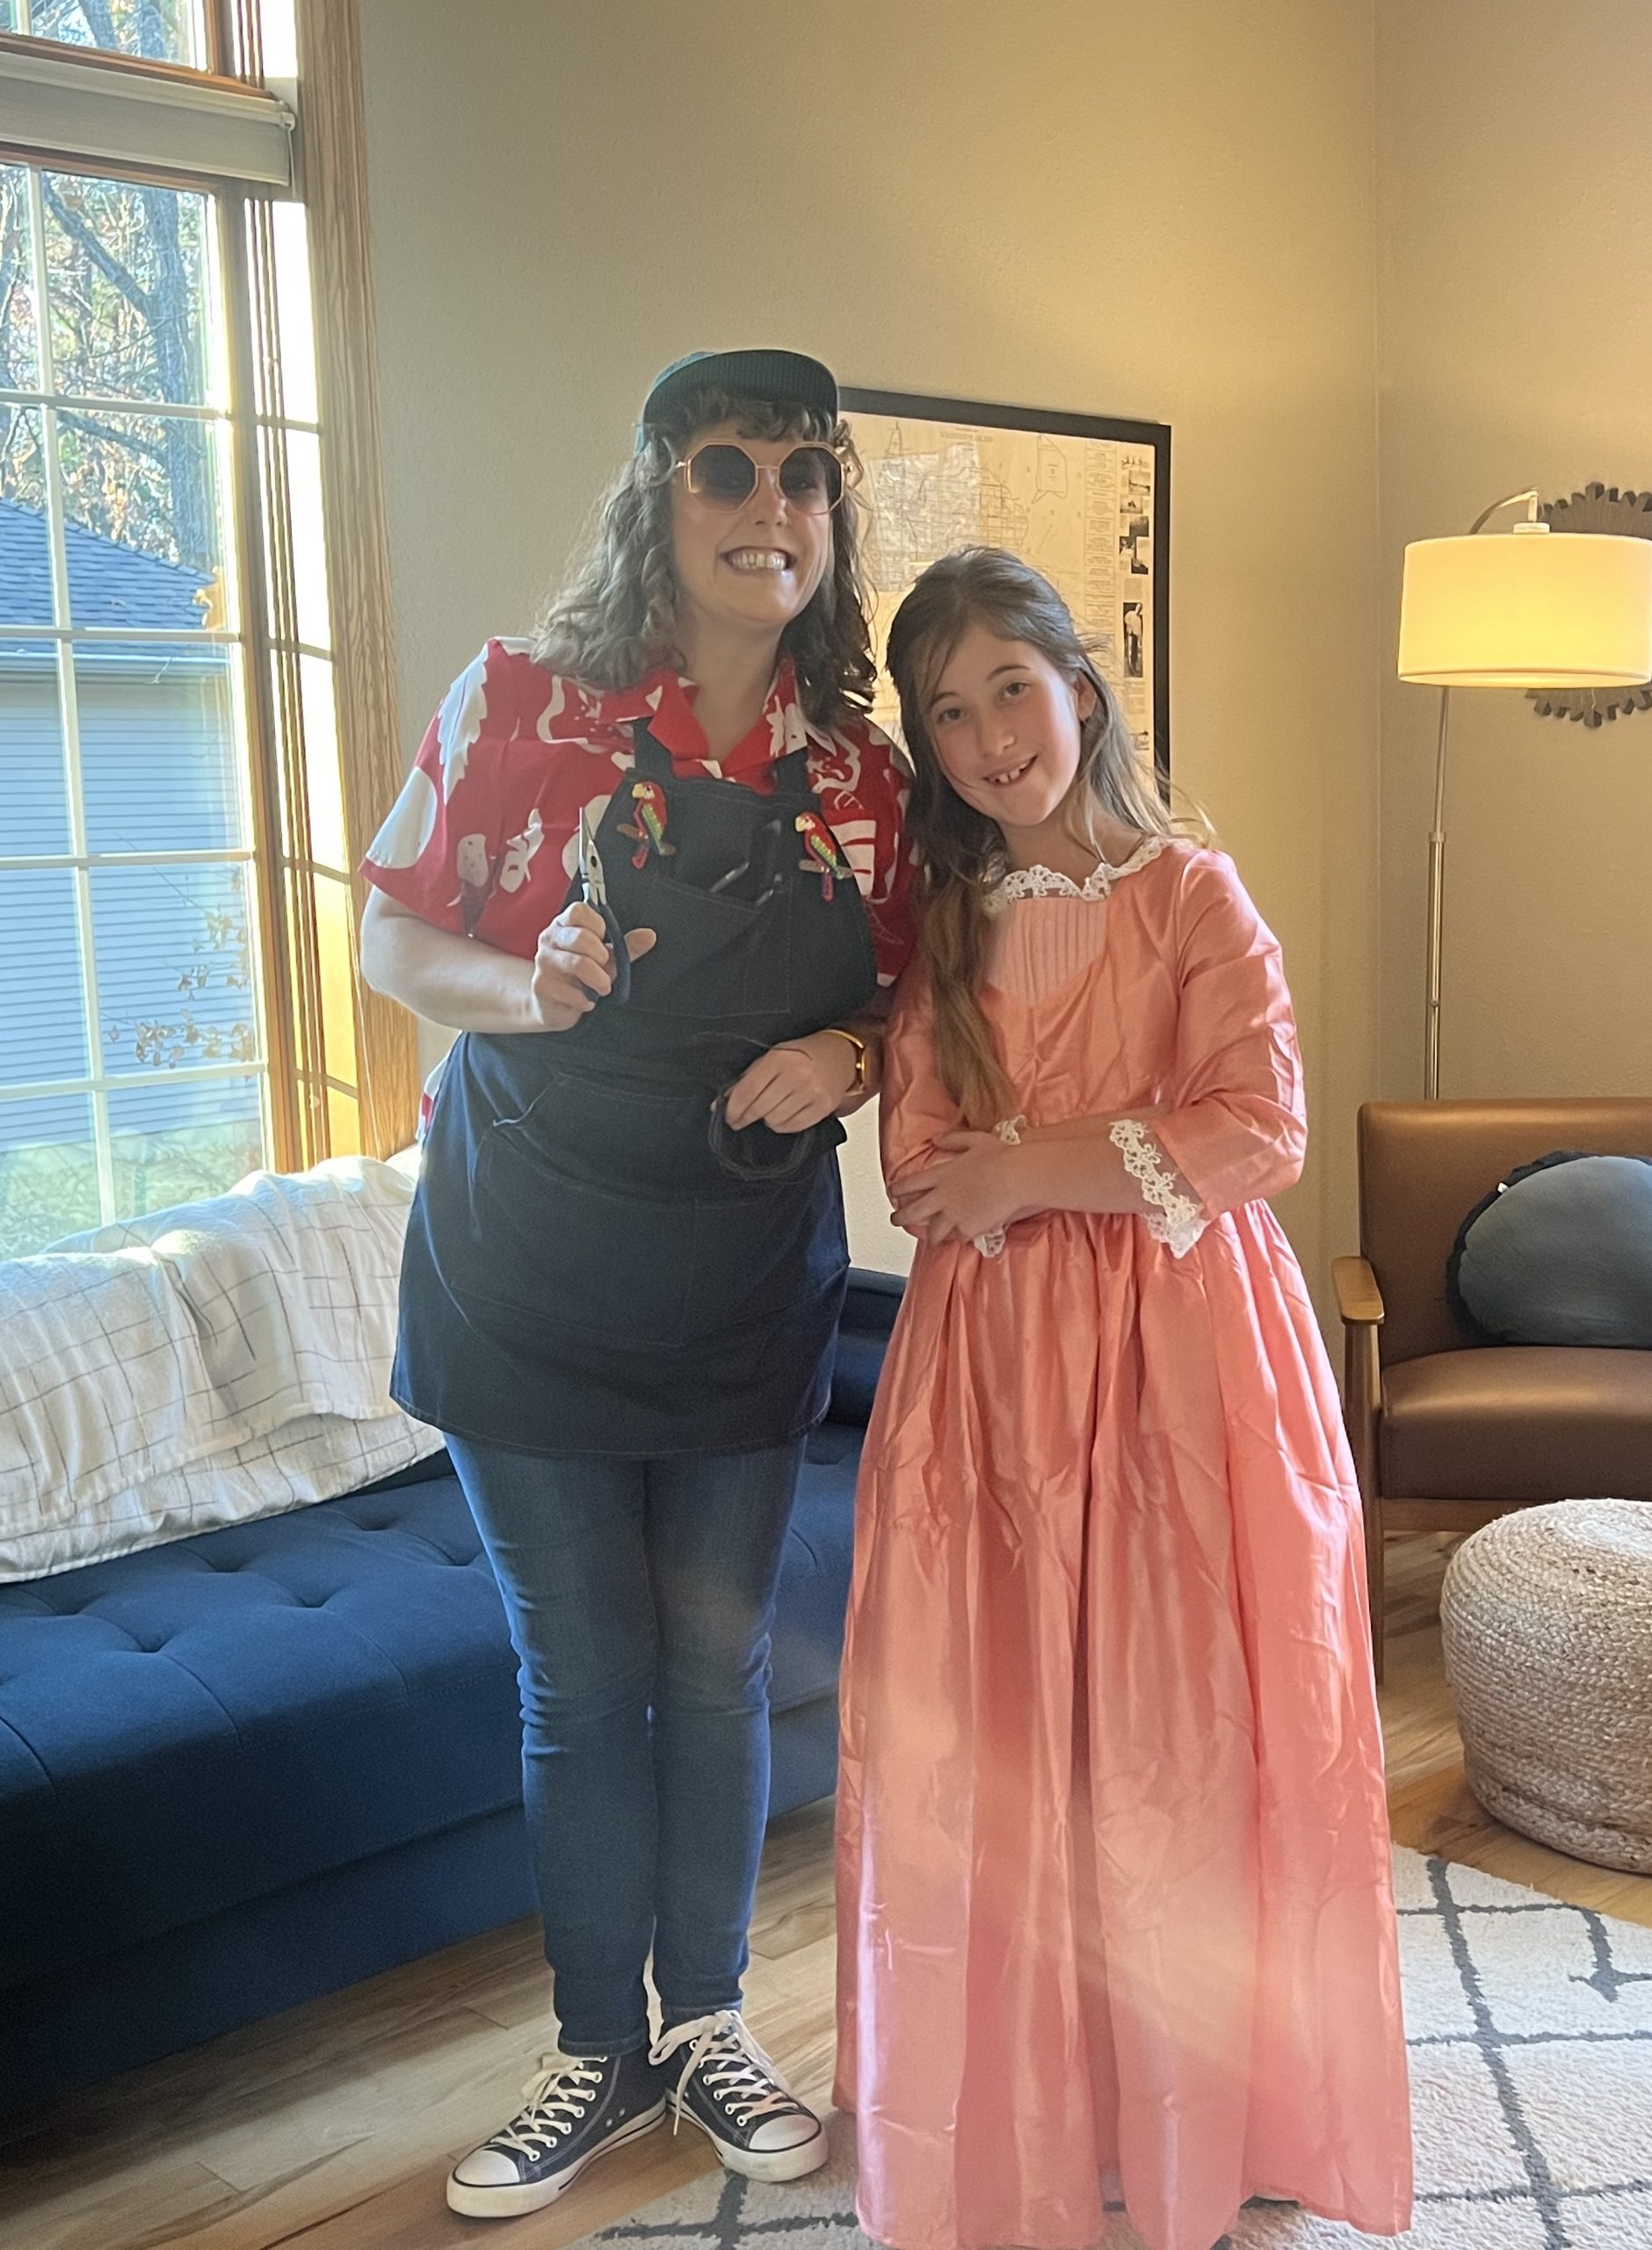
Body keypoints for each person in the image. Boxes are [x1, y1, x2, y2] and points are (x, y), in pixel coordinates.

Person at [359, 349, 913, 2219]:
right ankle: (594, 2048)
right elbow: (390, 927)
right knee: (585, 1680)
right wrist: (525, 987)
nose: (772, 512)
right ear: (659, 499)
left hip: (746, 1273)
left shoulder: (863, 778)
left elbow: (917, 996)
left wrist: (852, 1049)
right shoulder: (522, 702)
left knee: (721, 1661)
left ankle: (712, 2024)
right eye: (730, 473)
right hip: (526, 1262)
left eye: (804, 480)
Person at [833, 548, 1412, 2250]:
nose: (992, 734)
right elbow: (927, 1172)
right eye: (949, 712)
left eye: (1013, 684)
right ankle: (1049, 2099)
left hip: (1184, 1370)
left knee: (1175, 1729)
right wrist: (1036, 1175)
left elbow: (1264, 1126)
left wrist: (1041, 1170)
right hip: (996, 1382)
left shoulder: (1192, 895)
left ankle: (1208, 2109)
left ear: (1082, 687)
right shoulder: (946, 928)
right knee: (1015, 1733)